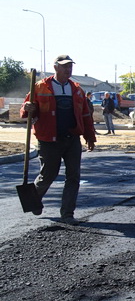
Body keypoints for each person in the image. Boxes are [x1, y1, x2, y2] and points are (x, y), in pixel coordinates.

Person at [20, 55, 97, 224]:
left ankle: (67, 214)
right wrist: (27, 108)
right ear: (56, 68)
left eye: (70, 67)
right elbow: (26, 112)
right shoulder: (40, 87)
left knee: (73, 177)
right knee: (48, 174)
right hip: (48, 139)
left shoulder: (77, 89)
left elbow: (85, 115)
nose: (68, 70)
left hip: (72, 139)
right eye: (64, 67)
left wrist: (90, 137)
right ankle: (33, 200)